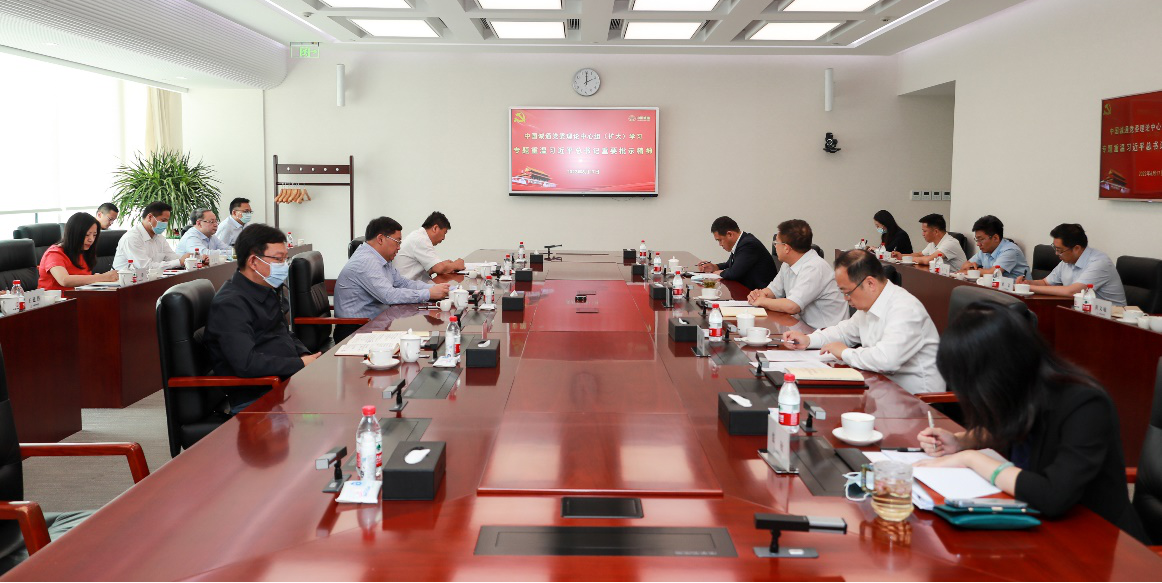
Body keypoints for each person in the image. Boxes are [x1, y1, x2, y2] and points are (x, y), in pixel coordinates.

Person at [916, 302, 1147, 543]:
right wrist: (961, 441)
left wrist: (971, 458)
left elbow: (1053, 496)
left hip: (1100, 541)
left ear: (998, 373)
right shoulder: (1026, 391)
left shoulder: (1085, 404)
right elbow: (1011, 427)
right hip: (1039, 528)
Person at [783, 250, 944, 395]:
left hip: (918, 401)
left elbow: (886, 359)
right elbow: (843, 332)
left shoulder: (905, 308)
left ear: (870, 283)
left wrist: (845, 353)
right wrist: (809, 340)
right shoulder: (870, 305)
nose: (845, 299)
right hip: (882, 388)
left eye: (848, 292)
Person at [204, 224, 320, 413]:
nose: (284, 265)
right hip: (258, 397)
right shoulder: (230, 304)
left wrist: (304, 355)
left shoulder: (266, 289)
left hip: (284, 384)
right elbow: (247, 363)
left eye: (286, 258)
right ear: (253, 261)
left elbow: (283, 333)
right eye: (278, 259)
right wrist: (299, 364)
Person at [335, 217, 451, 319]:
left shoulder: (382, 258)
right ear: (380, 239)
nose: (399, 247)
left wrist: (438, 288)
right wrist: (428, 294)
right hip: (357, 328)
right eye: (397, 242)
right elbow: (389, 296)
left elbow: (402, 283)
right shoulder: (366, 261)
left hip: (377, 321)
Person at [747, 219, 847, 330]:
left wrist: (762, 301)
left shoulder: (814, 268)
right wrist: (759, 294)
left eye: (776, 243)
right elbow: (773, 290)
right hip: (802, 327)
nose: (775, 246)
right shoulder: (787, 264)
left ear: (786, 248)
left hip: (826, 333)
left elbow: (792, 306)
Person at [1019, 223, 1127, 306]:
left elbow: (1073, 291)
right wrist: (1027, 282)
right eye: (1055, 249)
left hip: (1112, 320)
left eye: (1060, 250)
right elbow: (1046, 283)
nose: (1056, 253)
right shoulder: (1067, 261)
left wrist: (1029, 287)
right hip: (1081, 313)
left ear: (1076, 248)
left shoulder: (1099, 263)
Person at [36, 213, 118, 291]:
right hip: (56, 300)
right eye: (87, 235)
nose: (91, 239)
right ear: (74, 234)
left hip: (79, 297)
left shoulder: (82, 252)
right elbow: (64, 280)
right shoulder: (54, 253)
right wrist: (103, 277)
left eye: (94, 235)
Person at [696, 216, 777, 291]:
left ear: (730, 234)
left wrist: (720, 273)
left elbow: (734, 273)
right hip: (748, 291)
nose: (720, 244)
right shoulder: (742, 241)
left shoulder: (748, 244)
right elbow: (730, 264)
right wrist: (715, 267)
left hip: (761, 294)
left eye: (720, 240)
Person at [112, 202, 192, 271]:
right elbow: (145, 267)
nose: (165, 224)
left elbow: (170, 256)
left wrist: (189, 259)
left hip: (150, 279)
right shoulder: (132, 238)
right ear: (150, 217)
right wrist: (179, 262)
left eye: (167, 221)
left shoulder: (159, 237)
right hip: (123, 281)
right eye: (163, 220)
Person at [394, 211, 466, 282]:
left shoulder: (418, 236)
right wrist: (456, 265)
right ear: (435, 228)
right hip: (408, 287)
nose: (444, 238)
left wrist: (442, 265)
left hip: (412, 283)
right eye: (444, 233)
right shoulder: (420, 240)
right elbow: (440, 268)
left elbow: (431, 269)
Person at [959, 215, 1029, 278]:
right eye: (977, 240)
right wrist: (970, 268)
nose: (978, 244)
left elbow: (993, 273)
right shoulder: (985, 251)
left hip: (1016, 287)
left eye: (981, 239)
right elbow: (964, 267)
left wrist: (971, 271)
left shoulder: (1010, 250)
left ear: (995, 238)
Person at [892, 213, 966, 270]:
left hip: (956, 281)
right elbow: (919, 254)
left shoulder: (950, 243)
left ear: (936, 232)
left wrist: (906, 259)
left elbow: (928, 260)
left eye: (925, 231)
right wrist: (901, 256)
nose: (923, 234)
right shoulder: (933, 243)